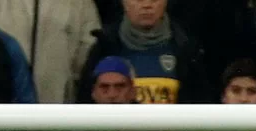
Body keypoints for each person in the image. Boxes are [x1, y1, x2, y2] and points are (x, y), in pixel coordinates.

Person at [77, 0, 210, 104]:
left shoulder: (186, 48)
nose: (147, 5)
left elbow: (200, 100)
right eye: (139, 0)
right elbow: (85, 99)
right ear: (124, 3)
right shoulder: (105, 46)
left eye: (154, 0)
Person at [0, 0, 100, 103]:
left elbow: (88, 47)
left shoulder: (80, 3)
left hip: (57, 100)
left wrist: (68, 80)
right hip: (5, 100)